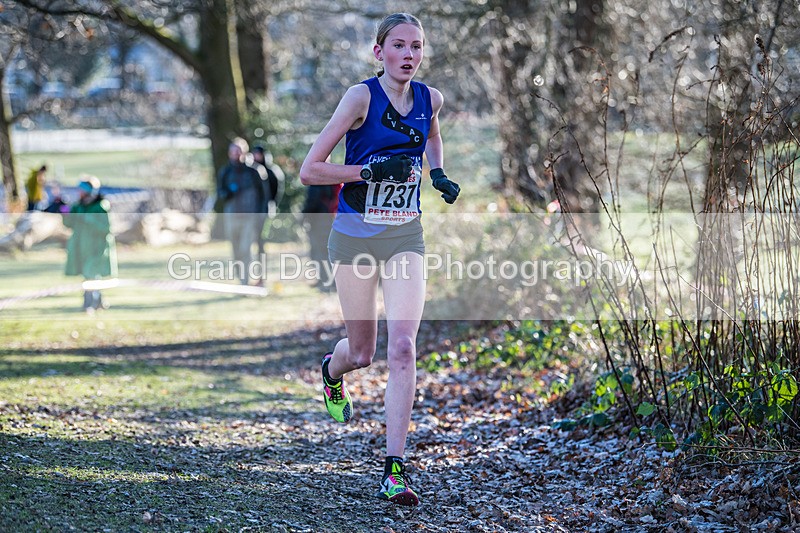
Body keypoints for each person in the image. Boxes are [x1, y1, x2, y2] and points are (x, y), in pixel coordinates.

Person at [299, 12, 460, 507]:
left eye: (416, 46)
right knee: (364, 353)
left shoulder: (430, 98)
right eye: (399, 45)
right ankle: (332, 370)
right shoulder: (360, 97)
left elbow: (431, 135)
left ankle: (394, 469)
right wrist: (367, 172)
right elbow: (310, 171)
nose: (409, 55)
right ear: (379, 51)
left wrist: (437, 173)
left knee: (405, 347)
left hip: (404, 236)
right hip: (352, 237)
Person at [215, 137, 266, 285]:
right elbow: (220, 192)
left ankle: (245, 281)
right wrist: (227, 193)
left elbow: (264, 195)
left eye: (238, 151)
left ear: (244, 152)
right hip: (232, 216)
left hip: (250, 216)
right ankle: (240, 278)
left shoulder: (255, 171)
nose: (235, 154)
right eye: (233, 151)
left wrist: (261, 214)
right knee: (236, 249)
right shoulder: (225, 172)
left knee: (246, 248)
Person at [63, 176, 118, 313]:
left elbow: (106, 228)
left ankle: (90, 303)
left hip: (97, 247)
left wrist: (88, 218)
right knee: (88, 275)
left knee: (91, 273)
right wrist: (64, 212)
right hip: (81, 247)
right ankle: (98, 302)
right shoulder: (78, 206)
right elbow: (69, 224)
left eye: (81, 189)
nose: (79, 192)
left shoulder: (100, 206)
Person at [301, 183, 342, 291]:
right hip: (328, 218)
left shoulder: (317, 181)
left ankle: (326, 282)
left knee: (320, 251)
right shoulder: (329, 178)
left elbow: (312, 200)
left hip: (319, 219)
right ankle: (326, 281)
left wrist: (304, 215)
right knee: (325, 251)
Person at [250, 144, 285, 257]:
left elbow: (277, 190)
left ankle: (261, 255)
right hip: (253, 208)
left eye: (258, 154)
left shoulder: (272, 171)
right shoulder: (252, 171)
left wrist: (272, 204)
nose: (256, 156)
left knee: (262, 235)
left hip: (266, 207)